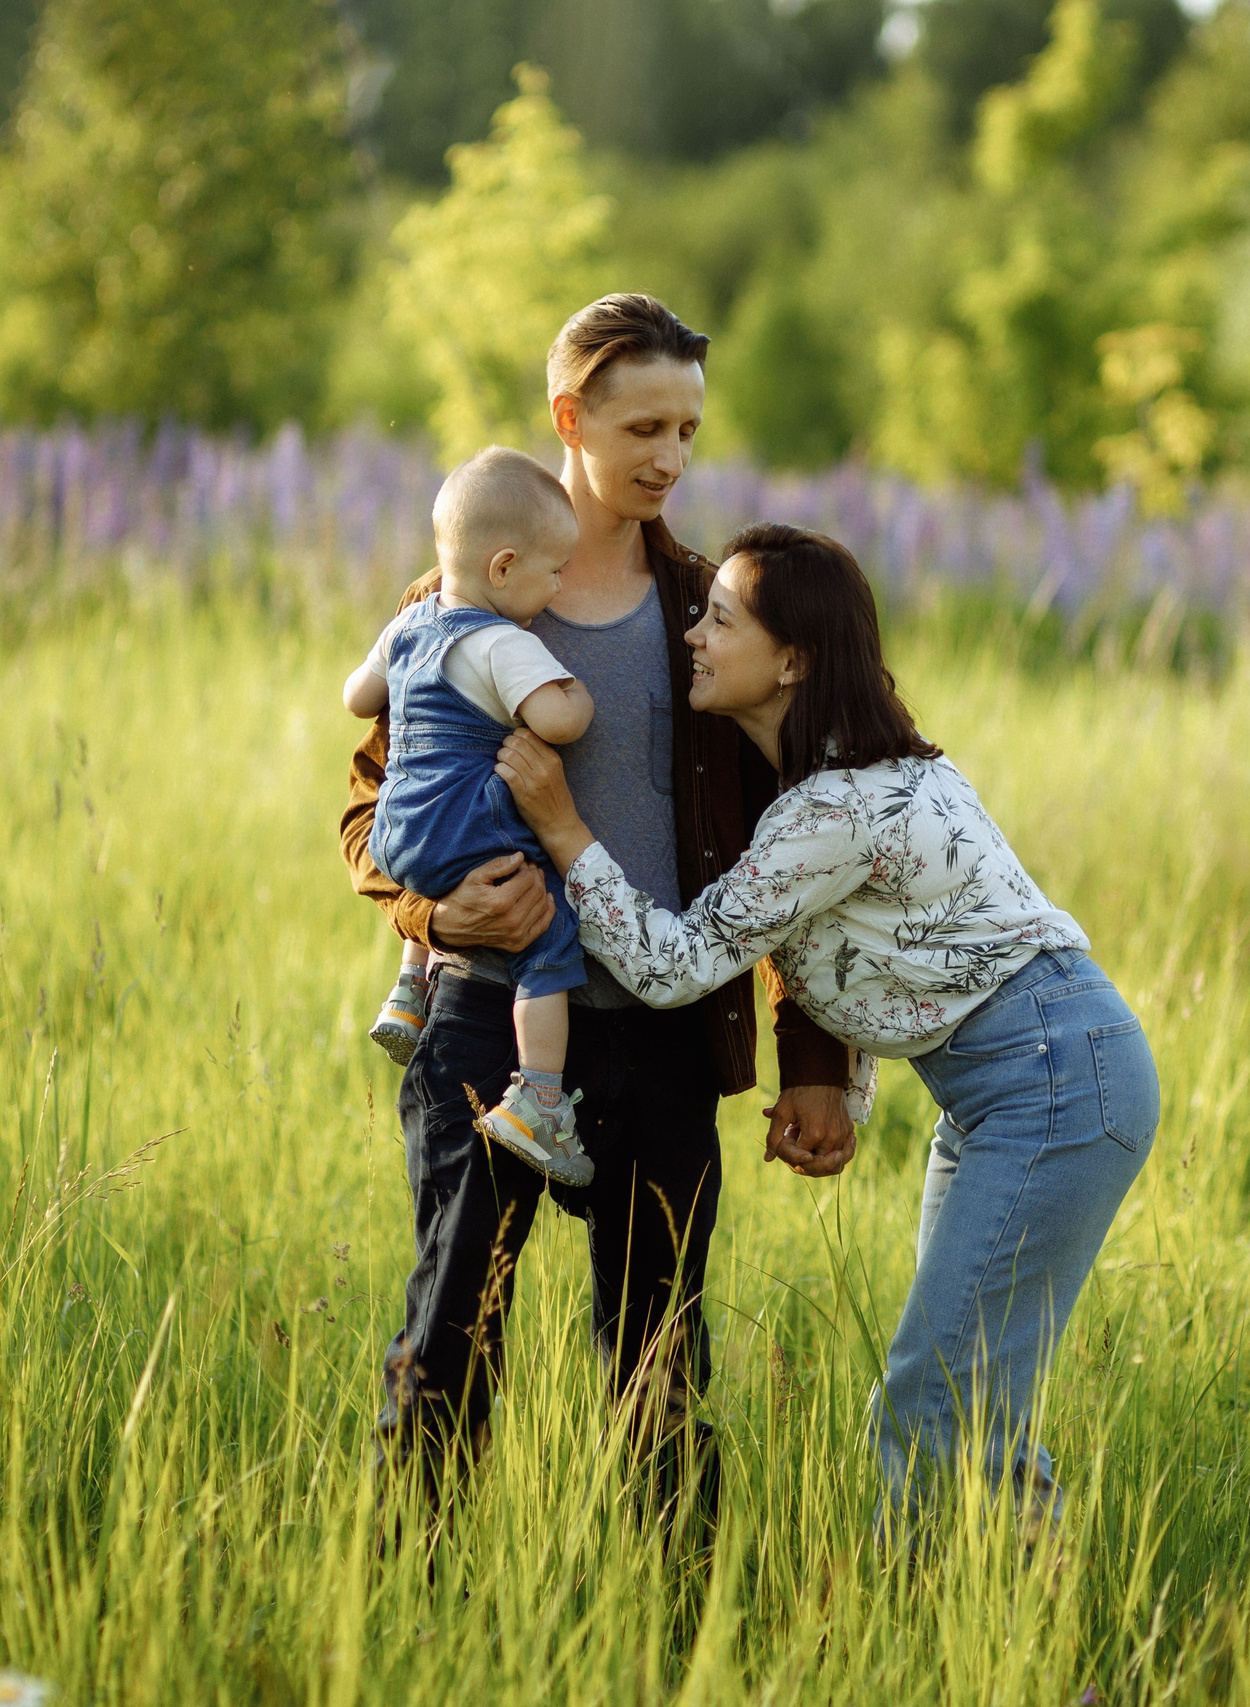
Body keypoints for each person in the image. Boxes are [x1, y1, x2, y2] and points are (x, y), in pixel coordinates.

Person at [495, 521, 1161, 1534]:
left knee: (942, 1409)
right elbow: (897, 950)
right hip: (1024, 1083)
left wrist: (562, 828)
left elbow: (675, 968)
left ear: (792, 661)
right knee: (954, 1403)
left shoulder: (834, 810)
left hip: (1050, 1086)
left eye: (719, 620)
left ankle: (1023, 1650)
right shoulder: (850, 780)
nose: (693, 639)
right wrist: (835, 1086)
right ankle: (971, 1637)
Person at [337, 296, 856, 1524]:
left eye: (686, 428)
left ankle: (677, 1636)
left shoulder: (716, 608)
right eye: (642, 427)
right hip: (488, 1033)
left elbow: (799, 839)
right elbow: (366, 817)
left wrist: (815, 1056)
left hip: (669, 1041)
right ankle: (409, 1616)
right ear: (570, 419)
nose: (669, 458)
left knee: (662, 1366)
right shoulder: (461, 596)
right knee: (449, 1338)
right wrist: (435, 912)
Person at [343, 446, 596, 1186]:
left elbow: (359, 697)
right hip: (467, 827)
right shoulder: (503, 642)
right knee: (549, 939)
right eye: (552, 572)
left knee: (442, 873)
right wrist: (578, 696)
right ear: (504, 567)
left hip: (398, 834)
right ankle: (540, 1099)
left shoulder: (411, 623)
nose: (557, 588)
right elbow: (556, 719)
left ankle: (408, 986)